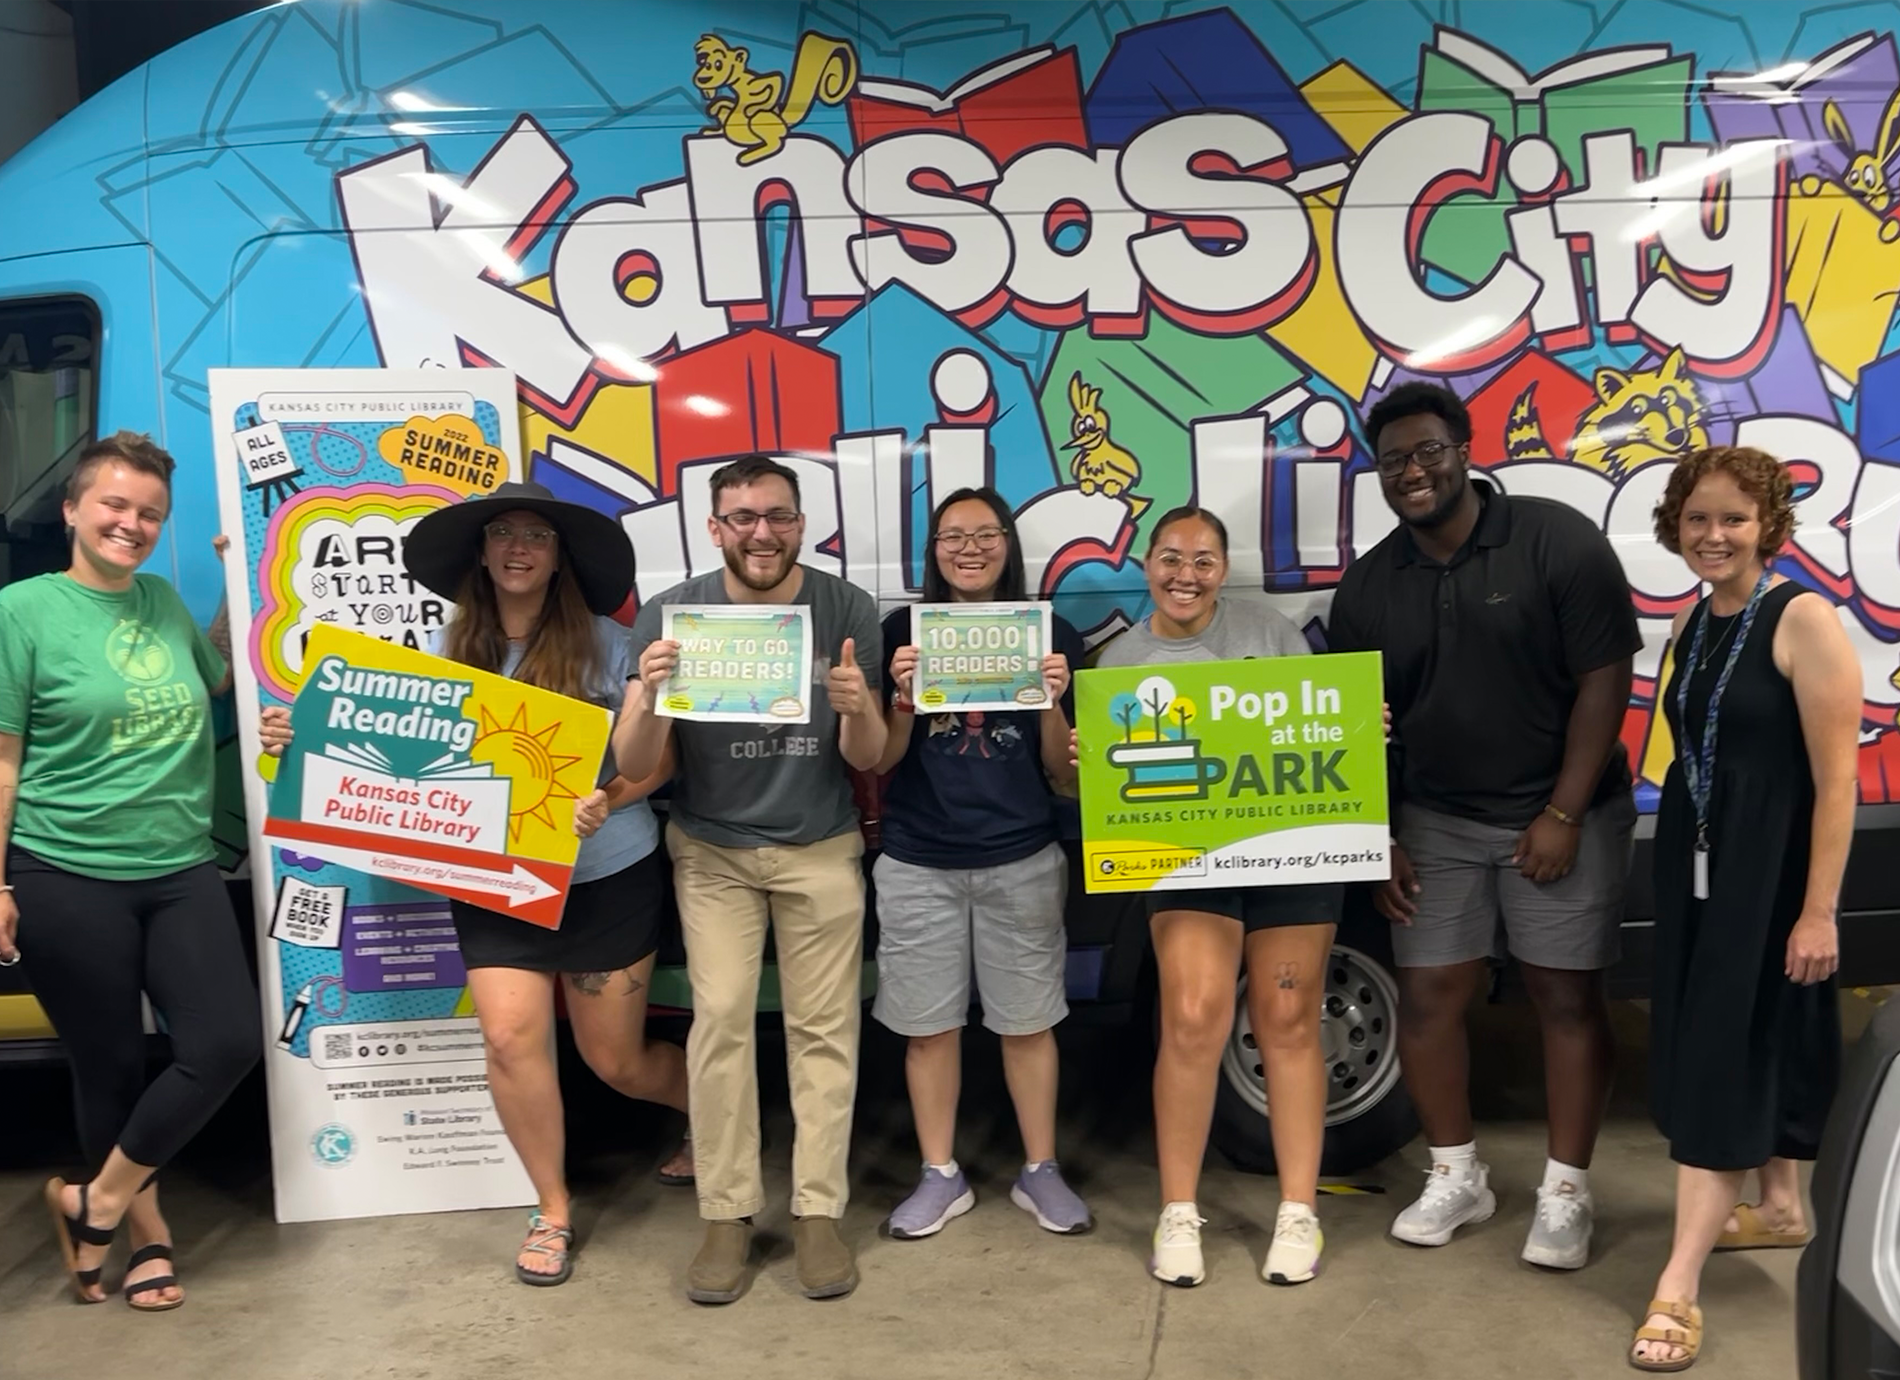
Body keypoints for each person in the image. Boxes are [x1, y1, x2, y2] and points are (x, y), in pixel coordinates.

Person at [260, 480, 691, 1287]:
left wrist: (608, 798)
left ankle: (712, 1113)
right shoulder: (444, 655)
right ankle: (553, 1207)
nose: (519, 547)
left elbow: (656, 763)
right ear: (483, 552)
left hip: (607, 877)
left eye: (537, 535)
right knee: (508, 1038)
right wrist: (303, 735)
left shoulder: (615, 643)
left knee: (616, 1063)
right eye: (504, 533)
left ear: (560, 556)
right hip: (497, 883)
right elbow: (391, 761)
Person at [1329, 382, 1640, 1270]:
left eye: (1429, 451)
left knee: (1564, 996)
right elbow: (1358, 726)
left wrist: (1564, 811)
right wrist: (1377, 834)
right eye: (1394, 461)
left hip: (1560, 812)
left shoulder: (1556, 540)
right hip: (1436, 819)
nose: (1413, 472)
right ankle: (1457, 1174)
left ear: (1465, 450)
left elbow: (1605, 679)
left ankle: (1568, 1192)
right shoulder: (1369, 585)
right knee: (1429, 998)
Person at [616, 455, 885, 1305]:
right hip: (713, 851)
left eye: (777, 516)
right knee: (722, 1021)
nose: (761, 533)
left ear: (802, 522)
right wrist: (649, 693)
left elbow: (870, 759)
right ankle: (727, 1214)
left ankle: (816, 1213)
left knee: (824, 1031)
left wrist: (857, 706)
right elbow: (633, 763)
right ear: (714, 527)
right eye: (742, 518)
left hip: (820, 846)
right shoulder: (670, 615)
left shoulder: (847, 608)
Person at [1, 432, 259, 1311]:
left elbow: (219, 681)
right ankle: (149, 1240)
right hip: (61, 871)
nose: (132, 524)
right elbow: (2, 763)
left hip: (178, 864)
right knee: (107, 1064)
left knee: (223, 1042)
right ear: (72, 509)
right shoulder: (22, 611)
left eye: (149, 513)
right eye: (114, 505)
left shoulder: (157, 600)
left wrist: (243, 572)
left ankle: (94, 1201)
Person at [1628, 447, 1858, 1371]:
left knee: (1727, 1053)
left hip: (1769, 874)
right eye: (1696, 519)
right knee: (1736, 1033)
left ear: (1768, 525)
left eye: (1732, 518)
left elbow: (1836, 783)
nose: (1713, 535)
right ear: (1674, 527)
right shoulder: (1698, 618)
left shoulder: (1804, 619)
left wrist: (1818, 912)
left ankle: (1678, 1285)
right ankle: (1782, 1206)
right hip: (1701, 863)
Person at [1092, 505, 1340, 1288]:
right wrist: (1078, 758)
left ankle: (1299, 1211)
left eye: (1203, 560)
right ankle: (1177, 1210)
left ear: (1222, 568)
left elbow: (1317, 729)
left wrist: (1354, 726)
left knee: (1288, 1016)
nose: (1185, 575)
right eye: (1171, 558)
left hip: (1289, 849)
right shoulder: (1121, 663)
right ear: (1147, 565)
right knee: (1194, 1016)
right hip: (1185, 857)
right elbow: (1092, 784)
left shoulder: (1270, 632)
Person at [872, 487, 1090, 1240]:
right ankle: (940, 1175)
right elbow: (881, 760)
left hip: (1022, 854)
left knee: (1028, 1024)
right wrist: (900, 697)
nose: (969, 548)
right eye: (951, 536)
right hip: (917, 857)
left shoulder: (1051, 631)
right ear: (932, 552)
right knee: (928, 1029)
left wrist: (1055, 701)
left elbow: (1067, 774)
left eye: (986, 533)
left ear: (1008, 543)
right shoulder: (901, 629)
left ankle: (1040, 1169)